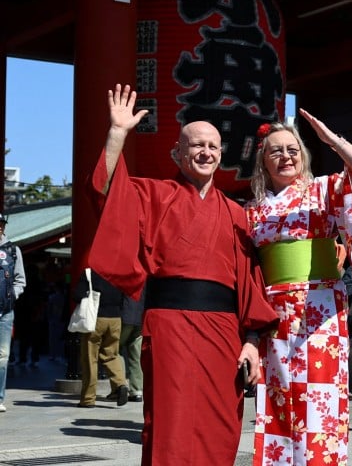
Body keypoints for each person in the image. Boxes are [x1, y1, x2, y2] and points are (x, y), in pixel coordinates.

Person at [87, 84, 278, 466]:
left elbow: (252, 285)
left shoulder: (236, 214)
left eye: (213, 146)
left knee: (220, 426)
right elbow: (107, 193)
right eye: (196, 145)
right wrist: (117, 134)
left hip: (224, 332)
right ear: (178, 152)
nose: (205, 152)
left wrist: (253, 340)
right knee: (169, 425)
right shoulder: (154, 194)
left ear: (221, 154)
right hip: (169, 326)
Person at [244, 112, 352, 464]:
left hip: (320, 310)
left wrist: (333, 141)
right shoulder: (253, 211)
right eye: (275, 151)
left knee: (320, 405)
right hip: (274, 316)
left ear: (303, 155)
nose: (285, 156)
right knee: (277, 403)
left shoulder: (323, 191)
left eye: (293, 149)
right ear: (263, 159)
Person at [72, 269, 129, 408]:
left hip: (96, 318)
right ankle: (120, 384)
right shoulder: (118, 273)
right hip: (116, 319)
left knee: (90, 358)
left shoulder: (90, 273)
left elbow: (77, 295)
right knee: (111, 355)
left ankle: (88, 399)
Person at [0, 214, 26, 413]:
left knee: (3, 356)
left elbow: (20, 280)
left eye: (1, 225)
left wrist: (12, 295)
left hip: (5, 311)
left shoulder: (12, 250)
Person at [119, 286, 145, 402]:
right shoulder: (144, 277)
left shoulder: (125, 275)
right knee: (136, 354)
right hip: (140, 317)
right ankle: (137, 390)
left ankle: (119, 385)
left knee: (114, 351)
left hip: (125, 316)